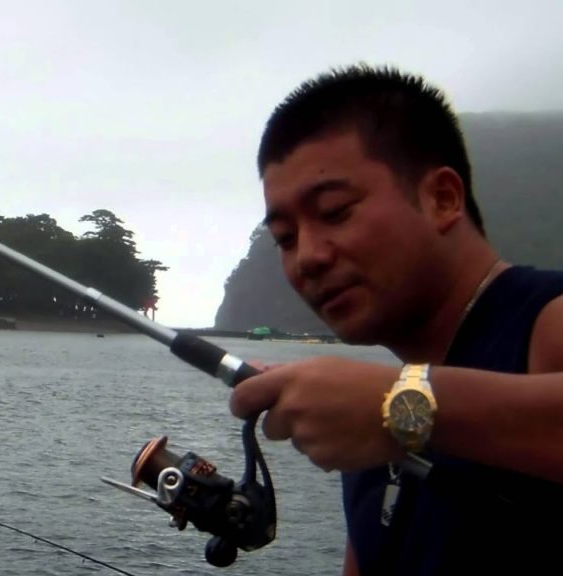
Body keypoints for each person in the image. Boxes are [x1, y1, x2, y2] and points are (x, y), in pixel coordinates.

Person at [228, 64, 563, 575]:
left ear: (442, 198)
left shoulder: (547, 321)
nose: (307, 258)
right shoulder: (365, 426)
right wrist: (385, 406)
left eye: (336, 211)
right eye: (286, 238)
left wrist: (400, 405)